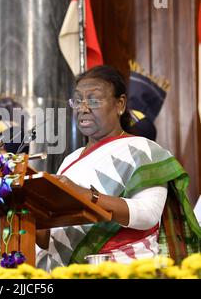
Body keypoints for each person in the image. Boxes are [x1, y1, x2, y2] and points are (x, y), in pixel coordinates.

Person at [36, 65, 201, 270]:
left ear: (120, 104)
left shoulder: (144, 150)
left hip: (125, 269)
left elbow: (148, 214)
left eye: (93, 99)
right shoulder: (70, 160)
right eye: (77, 100)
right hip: (68, 272)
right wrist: (27, 216)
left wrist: (85, 195)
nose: (83, 108)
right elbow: (54, 240)